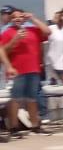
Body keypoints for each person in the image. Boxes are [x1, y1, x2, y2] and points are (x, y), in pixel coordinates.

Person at [2, 8, 49, 138]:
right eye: (14, 17)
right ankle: (13, 127)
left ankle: (35, 126)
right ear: (11, 20)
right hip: (17, 71)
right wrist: (15, 40)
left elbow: (47, 31)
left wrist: (33, 18)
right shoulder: (7, 33)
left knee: (32, 99)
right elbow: (3, 51)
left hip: (33, 70)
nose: (18, 19)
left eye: (20, 16)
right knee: (15, 99)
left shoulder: (32, 30)